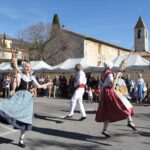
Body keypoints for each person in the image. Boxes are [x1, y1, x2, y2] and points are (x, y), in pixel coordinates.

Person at [0, 54, 51, 148]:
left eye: (29, 67)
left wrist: (48, 83)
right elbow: (15, 67)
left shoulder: (32, 77)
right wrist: (14, 61)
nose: (28, 68)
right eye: (26, 67)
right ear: (23, 68)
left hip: (27, 101)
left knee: (25, 120)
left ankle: (21, 140)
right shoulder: (20, 74)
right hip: (18, 98)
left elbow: (39, 86)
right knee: (4, 106)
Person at [95, 60, 137, 137]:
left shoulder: (103, 73)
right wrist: (117, 76)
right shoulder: (109, 73)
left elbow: (104, 84)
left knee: (106, 111)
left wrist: (118, 73)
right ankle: (130, 121)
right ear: (110, 66)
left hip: (104, 93)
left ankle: (105, 130)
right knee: (123, 104)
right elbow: (112, 85)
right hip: (110, 92)